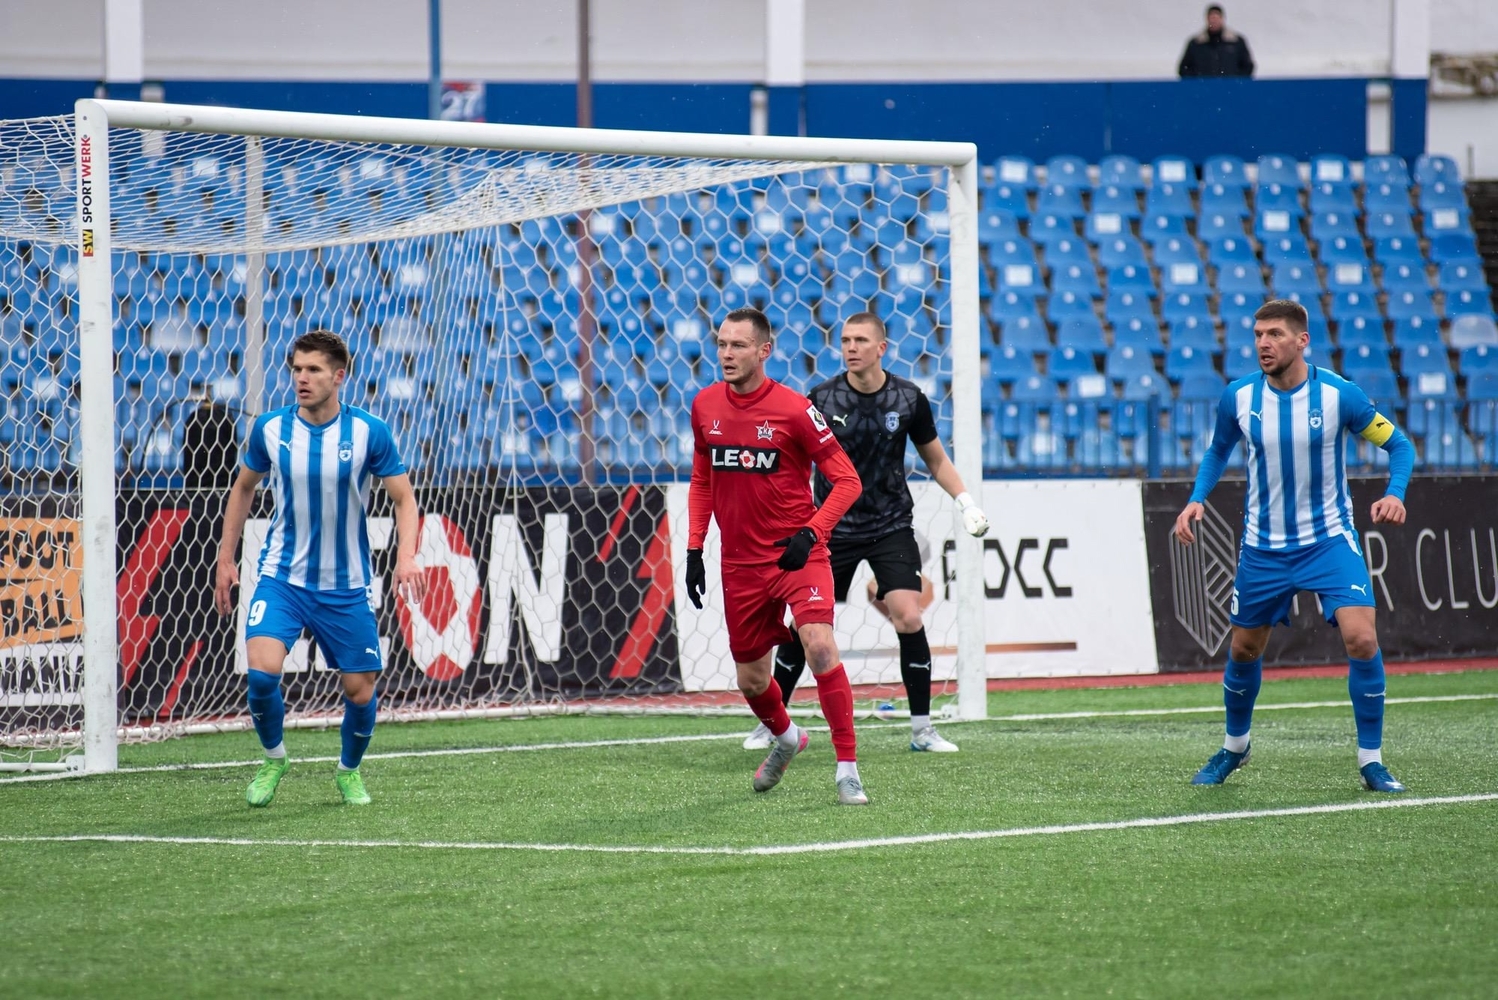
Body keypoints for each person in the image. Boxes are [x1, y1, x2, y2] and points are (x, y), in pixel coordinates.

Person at [1173, 299, 1414, 792]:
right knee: (1245, 648)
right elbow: (1218, 450)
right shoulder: (1239, 396)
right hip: (1263, 547)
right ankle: (1235, 747)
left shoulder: (1340, 396)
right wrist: (1196, 498)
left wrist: (1395, 492)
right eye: (1258, 334)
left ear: (1302, 340)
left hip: (1328, 541)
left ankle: (1371, 761)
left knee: (1362, 639)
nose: (1263, 343)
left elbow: (1400, 445)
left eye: (1275, 334)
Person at [744, 313, 989, 754]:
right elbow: (791, 458)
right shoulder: (821, 399)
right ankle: (771, 724)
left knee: (908, 615)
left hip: (889, 525)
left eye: (860, 340)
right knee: (804, 627)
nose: (851, 347)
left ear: (881, 348)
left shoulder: (908, 398)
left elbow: (935, 459)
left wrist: (966, 502)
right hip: (830, 527)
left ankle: (922, 730)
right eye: (845, 340)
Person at [213, 330, 425, 808]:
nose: (301, 378)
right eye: (296, 369)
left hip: (346, 584)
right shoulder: (271, 428)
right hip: (282, 577)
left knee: (360, 691)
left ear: (338, 376)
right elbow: (243, 487)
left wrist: (406, 555)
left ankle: (349, 771)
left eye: (313, 370)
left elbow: (404, 498)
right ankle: (274, 759)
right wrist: (226, 559)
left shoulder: (369, 431)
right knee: (262, 674)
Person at [686, 307, 870, 805]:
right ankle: (787, 738)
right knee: (751, 681)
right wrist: (695, 548)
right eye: (722, 344)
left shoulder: (794, 410)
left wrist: (811, 534)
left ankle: (847, 770)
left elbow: (847, 481)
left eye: (738, 345)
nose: (726, 354)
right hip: (739, 564)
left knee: (820, 647)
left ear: (764, 350)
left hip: (797, 554)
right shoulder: (704, 406)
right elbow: (702, 480)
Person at [1178, 5, 1254, 78]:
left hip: (1229, 86)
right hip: (1203, 86)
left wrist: (1234, 81)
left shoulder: (1236, 42)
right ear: (1207, 19)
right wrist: (1198, 82)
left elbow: (1247, 67)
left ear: (1222, 19)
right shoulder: (1196, 44)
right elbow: (1184, 69)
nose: (1214, 21)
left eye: (1216, 18)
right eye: (1212, 18)